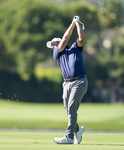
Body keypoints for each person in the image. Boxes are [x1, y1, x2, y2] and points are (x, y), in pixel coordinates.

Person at [46, 16, 88, 144]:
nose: (53, 47)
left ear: (58, 43)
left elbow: (81, 38)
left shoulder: (76, 48)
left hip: (79, 82)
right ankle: (77, 130)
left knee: (71, 107)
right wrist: (73, 22)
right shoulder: (57, 54)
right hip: (66, 84)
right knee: (68, 109)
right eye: (52, 46)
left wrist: (77, 24)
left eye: (53, 44)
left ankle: (69, 137)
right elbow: (65, 39)